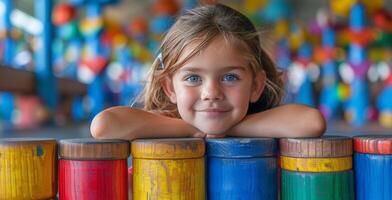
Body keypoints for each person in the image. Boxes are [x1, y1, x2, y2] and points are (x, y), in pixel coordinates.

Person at [90, 3, 326, 140]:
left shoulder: (267, 120)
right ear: (170, 87)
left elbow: (311, 122)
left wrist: (229, 127)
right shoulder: (166, 124)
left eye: (230, 77)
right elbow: (104, 126)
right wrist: (193, 127)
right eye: (193, 78)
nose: (211, 93)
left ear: (255, 86)